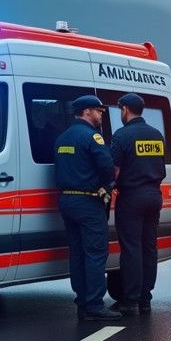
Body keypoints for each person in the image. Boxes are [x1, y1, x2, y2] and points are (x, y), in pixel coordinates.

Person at [54, 94, 121, 321]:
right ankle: (94, 304)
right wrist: (106, 186)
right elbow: (107, 167)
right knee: (95, 253)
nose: (101, 114)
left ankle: (82, 301)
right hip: (88, 202)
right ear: (86, 112)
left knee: (77, 253)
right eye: (98, 110)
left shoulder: (62, 138)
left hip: (66, 201)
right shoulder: (93, 137)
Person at [108, 92, 167, 315]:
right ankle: (145, 297)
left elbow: (115, 169)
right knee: (149, 247)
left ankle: (130, 300)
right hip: (154, 195)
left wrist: (109, 184)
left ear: (125, 109)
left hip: (131, 197)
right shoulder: (156, 135)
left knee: (131, 248)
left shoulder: (122, 135)